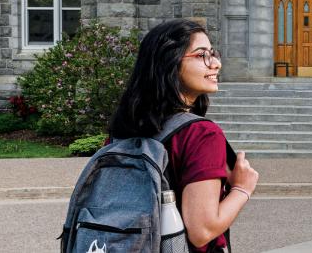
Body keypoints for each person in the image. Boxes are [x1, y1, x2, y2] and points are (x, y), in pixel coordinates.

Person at [108, 19, 259, 253]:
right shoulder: (200, 134)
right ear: (169, 64)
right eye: (201, 56)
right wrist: (242, 189)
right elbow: (202, 231)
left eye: (213, 53)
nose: (216, 63)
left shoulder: (121, 132)